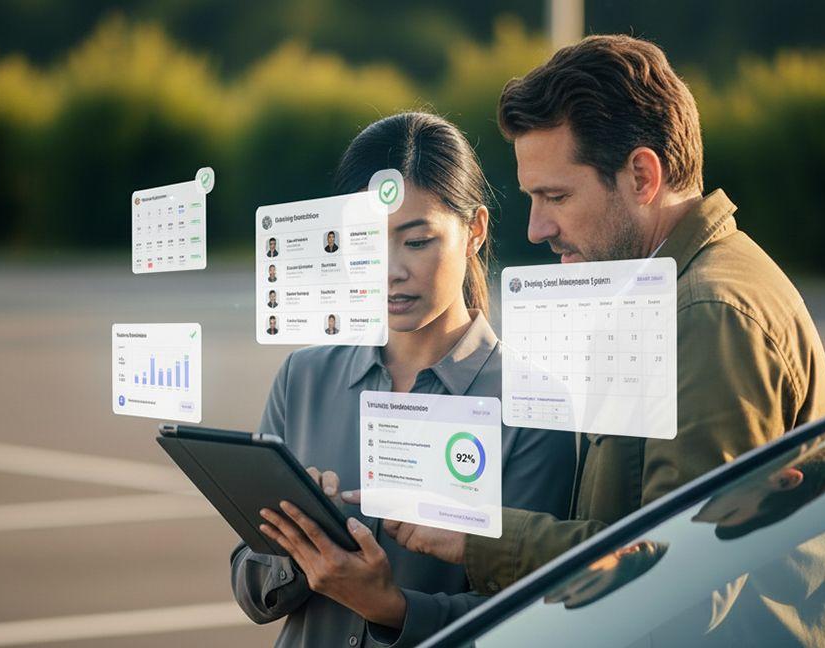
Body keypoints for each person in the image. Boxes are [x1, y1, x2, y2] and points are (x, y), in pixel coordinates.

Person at [382, 34, 825, 602]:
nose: (535, 228)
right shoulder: (655, 289)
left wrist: (481, 537)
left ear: (643, 177)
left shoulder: (707, 313)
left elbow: (686, 577)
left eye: (555, 196)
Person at [230, 112, 576, 647]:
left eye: (416, 242)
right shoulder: (304, 378)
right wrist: (301, 554)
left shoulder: (532, 406)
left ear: (475, 230)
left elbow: (533, 614)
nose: (388, 270)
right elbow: (248, 583)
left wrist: (391, 608)